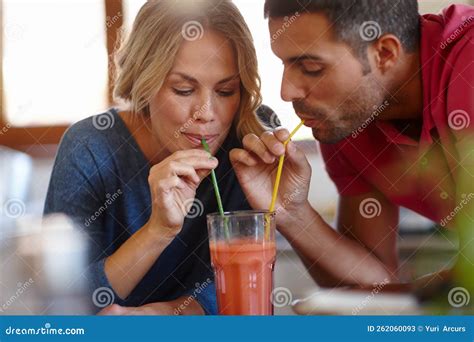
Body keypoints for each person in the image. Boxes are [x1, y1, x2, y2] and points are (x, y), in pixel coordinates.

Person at [44, 0, 271, 315]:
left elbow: (248, 295)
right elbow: (62, 304)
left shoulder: (251, 141)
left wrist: (158, 317)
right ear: (144, 82)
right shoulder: (89, 148)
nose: (207, 114)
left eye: (226, 91)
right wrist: (157, 231)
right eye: (183, 90)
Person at [231, 0, 474, 288]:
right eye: (284, 63)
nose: (286, 91)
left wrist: (424, 296)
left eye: (310, 67)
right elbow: (369, 286)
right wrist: (291, 213)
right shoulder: (349, 117)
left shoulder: (467, 66)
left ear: (384, 53)